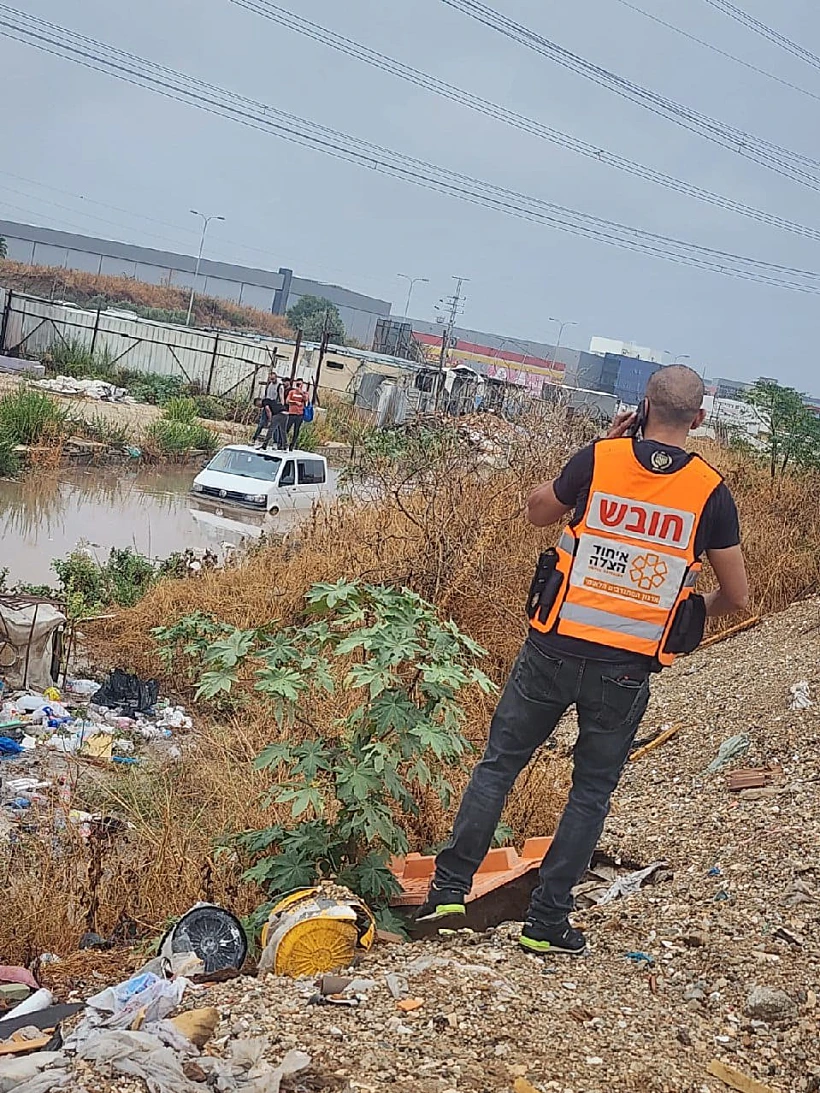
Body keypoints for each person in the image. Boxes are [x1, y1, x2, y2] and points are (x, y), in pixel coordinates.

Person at [416, 365, 749, 956]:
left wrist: (608, 446)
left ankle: (446, 892)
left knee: (498, 767)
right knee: (590, 792)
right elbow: (739, 596)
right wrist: (690, 610)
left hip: (552, 647)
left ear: (643, 406)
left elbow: (537, 511)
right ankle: (545, 924)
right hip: (625, 668)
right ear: (699, 419)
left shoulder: (600, 458)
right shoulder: (710, 492)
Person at [262, 372, 288, 450]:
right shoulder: (269, 385)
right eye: (270, 379)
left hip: (278, 411)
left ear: (276, 377)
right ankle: (285, 445)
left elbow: (281, 397)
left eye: (273, 378)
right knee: (282, 430)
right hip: (284, 412)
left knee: (272, 428)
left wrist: (270, 420)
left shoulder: (280, 386)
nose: (272, 380)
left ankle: (265, 444)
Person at [285, 378, 309, 450]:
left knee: (296, 430)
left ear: (302, 384)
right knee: (287, 428)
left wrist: (301, 392)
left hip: (300, 414)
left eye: (300, 384)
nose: (298, 385)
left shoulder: (305, 393)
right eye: (297, 384)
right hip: (292, 413)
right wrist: (295, 402)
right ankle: (283, 442)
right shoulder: (292, 392)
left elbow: (306, 399)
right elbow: (287, 401)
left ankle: (292, 445)